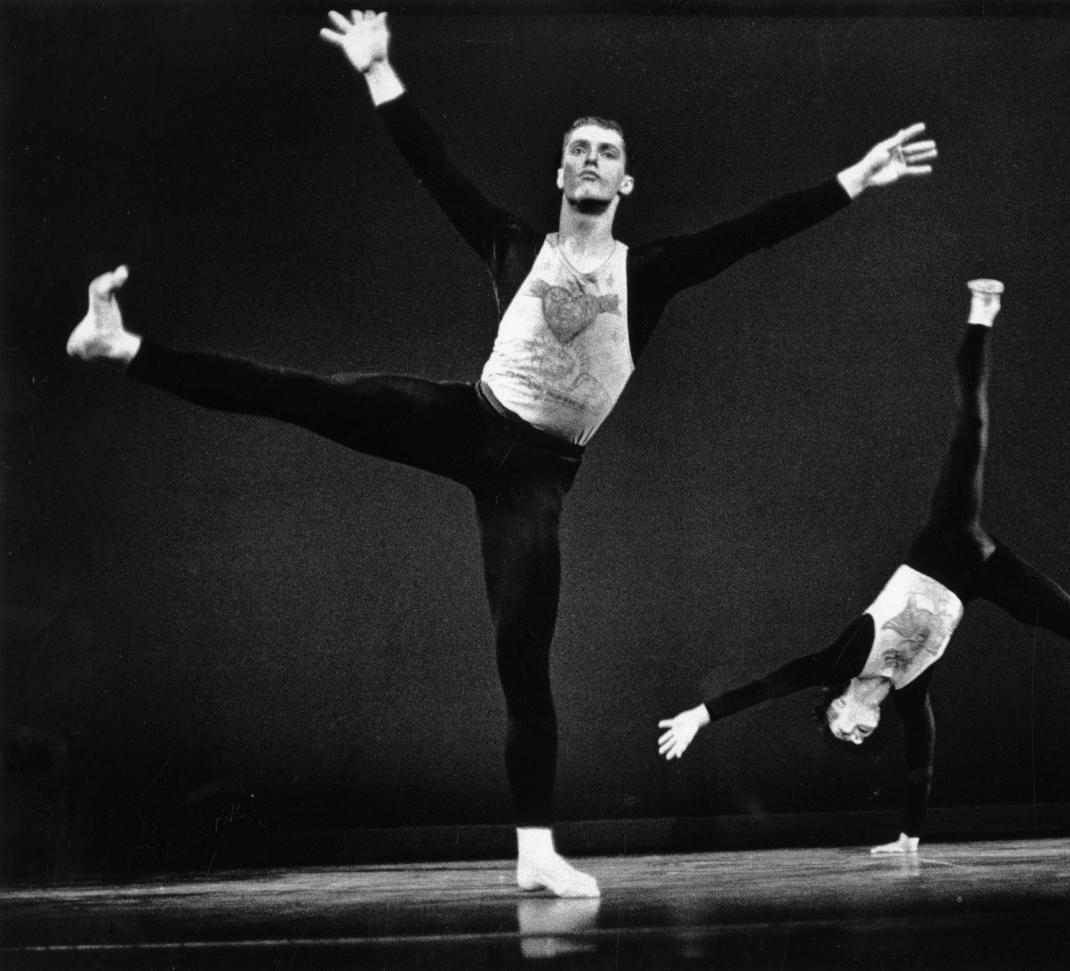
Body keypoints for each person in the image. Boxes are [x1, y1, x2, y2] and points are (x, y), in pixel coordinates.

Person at [67, 9, 938, 896]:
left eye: (607, 151)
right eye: (580, 149)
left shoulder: (653, 272)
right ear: (561, 172)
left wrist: (853, 181)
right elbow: (432, 166)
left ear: (627, 180)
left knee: (522, 655)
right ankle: (121, 348)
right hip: (468, 418)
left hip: (536, 475)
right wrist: (377, 69)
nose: (592, 158)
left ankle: (533, 851)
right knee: (308, 394)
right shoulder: (516, 245)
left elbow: (756, 229)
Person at [657, 280, 1070, 855]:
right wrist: (910, 836)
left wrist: (701, 716)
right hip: (980, 572)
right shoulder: (906, 690)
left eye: (839, 727)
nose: (853, 735)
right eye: (855, 739)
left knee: (970, 429)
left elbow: (769, 685)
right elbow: (922, 755)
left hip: (944, 540)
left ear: (834, 700)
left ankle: (981, 314)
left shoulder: (842, 658)